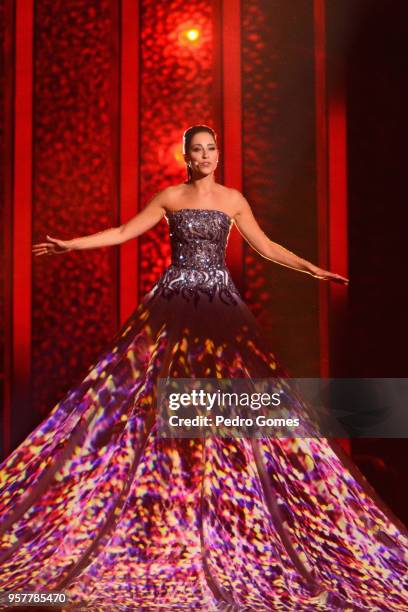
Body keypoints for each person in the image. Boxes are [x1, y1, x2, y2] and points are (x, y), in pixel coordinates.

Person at [0, 124, 406, 610]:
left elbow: (266, 246)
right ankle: (163, 520)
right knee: (146, 402)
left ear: (219, 154)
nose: (207, 155)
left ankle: (228, 516)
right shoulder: (169, 196)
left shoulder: (234, 199)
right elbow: (124, 232)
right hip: (174, 305)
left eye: (213, 148)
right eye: (199, 150)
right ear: (186, 157)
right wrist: (72, 244)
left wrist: (310, 268)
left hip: (219, 308)